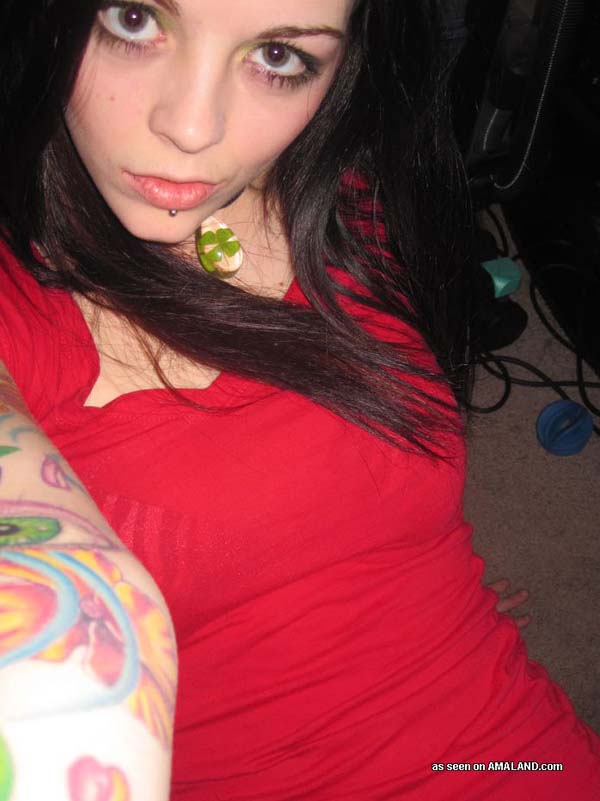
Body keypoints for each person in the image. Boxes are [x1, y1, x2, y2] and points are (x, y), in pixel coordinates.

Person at [0, 0, 597, 799]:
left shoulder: (351, 198)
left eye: (279, 57)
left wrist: (403, 597)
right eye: (136, 19)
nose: (192, 128)